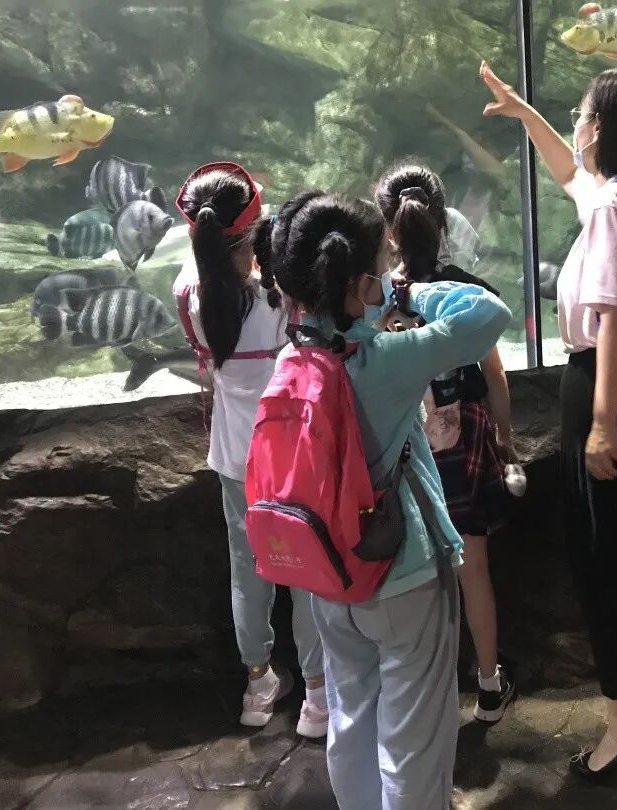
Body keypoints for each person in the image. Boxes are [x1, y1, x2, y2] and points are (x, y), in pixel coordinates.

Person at [259, 191, 510, 809]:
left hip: (329, 575)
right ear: (358, 283)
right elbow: (488, 313)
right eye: (378, 270)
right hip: (402, 577)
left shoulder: (293, 358)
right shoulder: (384, 361)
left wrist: (368, 292)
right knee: (414, 743)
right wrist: (407, 291)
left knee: (351, 720)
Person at [479, 61, 617, 782]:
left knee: (607, 556)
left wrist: (602, 422)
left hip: (609, 384)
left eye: (579, 114)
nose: (574, 125)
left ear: (602, 127)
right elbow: (569, 172)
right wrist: (525, 112)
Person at [172, 164, 328, 737]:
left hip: (234, 456)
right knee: (308, 571)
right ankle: (317, 695)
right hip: (292, 453)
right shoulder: (277, 298)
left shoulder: (190, 294)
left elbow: (206, 264)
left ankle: (257, 685)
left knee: (249, 571)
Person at [375, 161, 517, 725]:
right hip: (466, 438)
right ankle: (489, 685)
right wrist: (505, 439)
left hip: (404, 439)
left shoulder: (378, 296)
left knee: (416, 572)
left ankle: (424, 694)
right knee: (472, 566)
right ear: (442, 222)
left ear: (389, 230)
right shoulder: (464, 290)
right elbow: (496, 377)